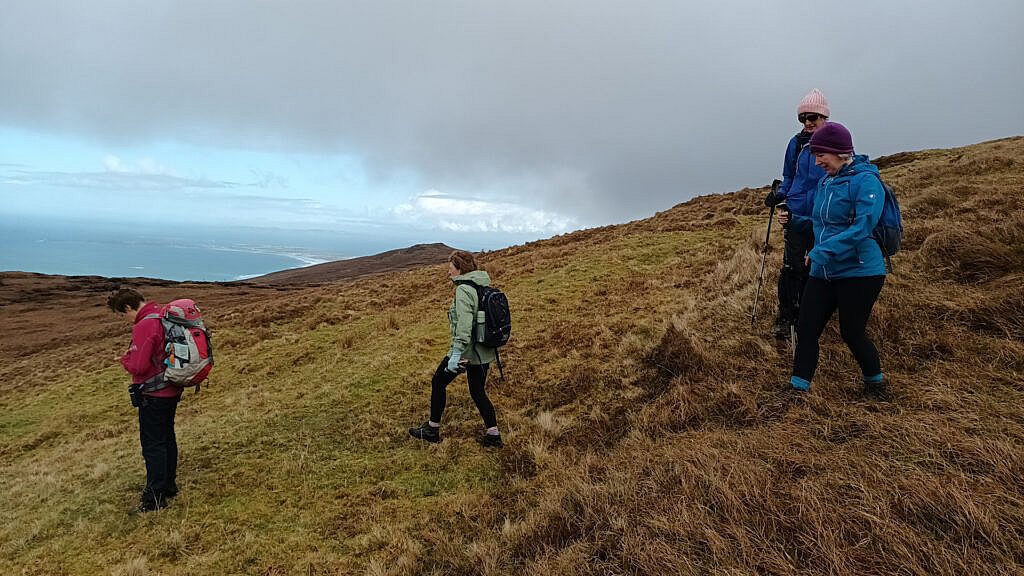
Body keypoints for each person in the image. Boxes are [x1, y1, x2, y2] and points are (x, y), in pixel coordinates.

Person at [789, 122, 888, 397]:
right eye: (816, 155)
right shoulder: (826, 182)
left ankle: (876, 385)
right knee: (806, 329)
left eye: (821, 155)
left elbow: (863, 227)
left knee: (852, 332)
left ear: (840, 152)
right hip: (824, 271)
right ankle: (797, 391)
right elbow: (821, 222)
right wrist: (795, 220)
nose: (817, 161)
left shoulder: (867, 181)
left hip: (861, 272)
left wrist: (821, 252)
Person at [409, 251, 503, 447]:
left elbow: (465, 325)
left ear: (459, 268)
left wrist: (457, 354)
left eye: (450, 268)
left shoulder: (463, 290)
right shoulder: (482, 285)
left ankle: (432, 430)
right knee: (478, 391)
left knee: (438, 382)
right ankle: (493, 434)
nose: (448, 272)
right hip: (484, 351)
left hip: (466, 352)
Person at [108, 288, 183, 512]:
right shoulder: (161, 315)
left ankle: (154, 499)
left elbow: (139, 366)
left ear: (128, 307)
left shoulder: (144, 325)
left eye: (123, 315)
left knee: (153, 445)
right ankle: (169, 486)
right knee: (167, 437)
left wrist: (124, 360)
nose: (125, 320)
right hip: (171, 388)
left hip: (154, 393)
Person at [766, 88, 829, 339]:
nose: (808, 122)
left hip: (824, 216)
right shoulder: (796, 143)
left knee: (817, 265)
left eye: (813, 117)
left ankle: (814, 313)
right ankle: (787, 317)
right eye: (803, 118)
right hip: (795, 214)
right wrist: (780, 195)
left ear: (824, 116)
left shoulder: (835, 140)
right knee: (792, 267)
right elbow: (790, 177)